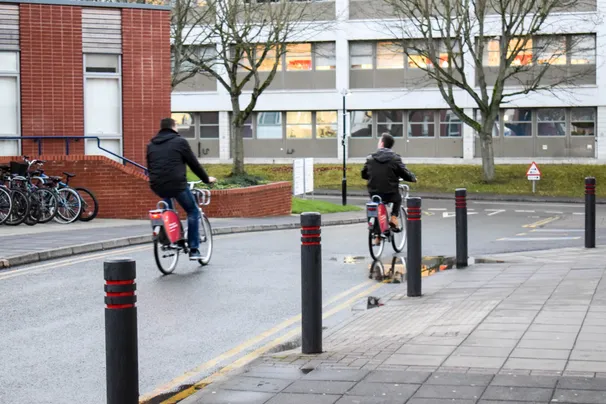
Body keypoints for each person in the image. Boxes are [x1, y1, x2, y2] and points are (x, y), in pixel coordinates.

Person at [147, 118, 216, 260]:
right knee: (193, 211)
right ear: (174, 127)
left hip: (157, 185)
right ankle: (194, 248)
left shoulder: (151, 145)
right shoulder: (180, 142)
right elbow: (194, 164)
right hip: (177, 184)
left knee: (169, 210)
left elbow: (150, 166)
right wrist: (206, 179)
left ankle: (176, 239)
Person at [361, 133, 416, 241]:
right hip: (390, 192)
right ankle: (394, 217)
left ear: (381, 143)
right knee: (397, 198)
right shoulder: (395, 158)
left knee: (376, 205)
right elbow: (404, 173)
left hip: (373, 191)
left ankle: (377, 235)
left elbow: (364, 174)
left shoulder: (370, 158)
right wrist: (413, 178)